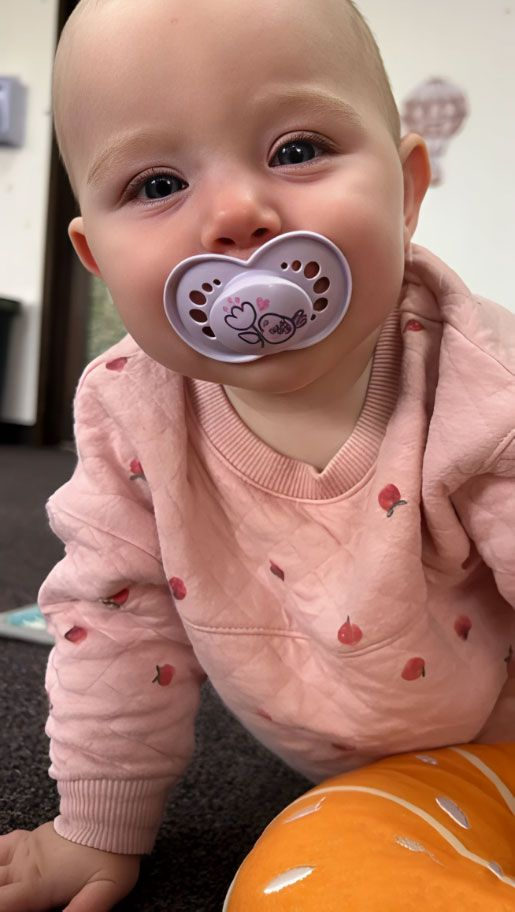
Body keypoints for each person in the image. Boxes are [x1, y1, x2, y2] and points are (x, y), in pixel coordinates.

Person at [1, 0, 514, 909]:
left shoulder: (478, 382)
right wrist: (97, 827)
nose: (238, 214)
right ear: (95, 255)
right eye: (156, 185)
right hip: (314, 741)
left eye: (295, 149)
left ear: (404, 190)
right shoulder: (129, 408)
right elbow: (117, 624)